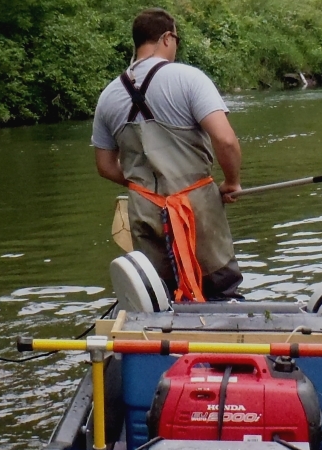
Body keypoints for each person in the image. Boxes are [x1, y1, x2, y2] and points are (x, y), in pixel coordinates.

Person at [91, 8, 244, 301]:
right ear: (167, 37)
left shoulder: (108, 95)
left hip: (144, 212)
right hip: (196, 208)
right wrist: (232, 182)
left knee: (158, 297)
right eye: (177, 39)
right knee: (220, 289)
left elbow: (105, 166)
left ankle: (159, 342)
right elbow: (225, 140)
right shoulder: (189, 78)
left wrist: (140, 189)